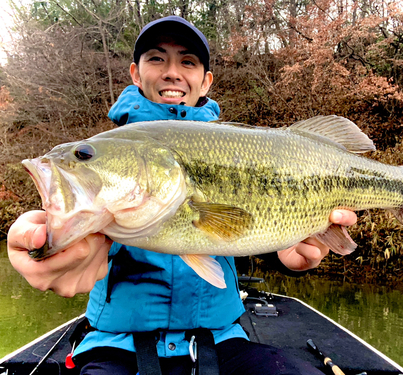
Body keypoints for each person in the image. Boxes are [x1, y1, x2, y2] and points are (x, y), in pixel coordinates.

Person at [7, 16, 357, 375]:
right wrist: (43, 244)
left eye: (187, 61)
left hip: (220, 339)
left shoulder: (238, 149)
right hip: (115, 342)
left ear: (205, 80)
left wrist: (284, 253)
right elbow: (68, 225)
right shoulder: (111, 154)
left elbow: (246, 229)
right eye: (157, 58)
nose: (172, 72)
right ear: (135, 73)